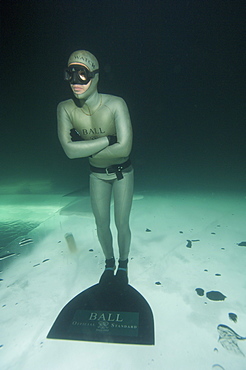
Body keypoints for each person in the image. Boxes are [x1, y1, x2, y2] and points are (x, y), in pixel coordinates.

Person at [57, 50, 133, 285]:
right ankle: (109, 261)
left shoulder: (116, 104)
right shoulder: (65, 109)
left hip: (122, 174)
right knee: (101, 223)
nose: (76, 82)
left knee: (121, 223)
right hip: (97, 175)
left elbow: (125, 149)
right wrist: (108, 140)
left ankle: (123, 264)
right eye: (70, 74)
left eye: (83, 74)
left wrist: (86, 148)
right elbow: (69, 152)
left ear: (96, 76)